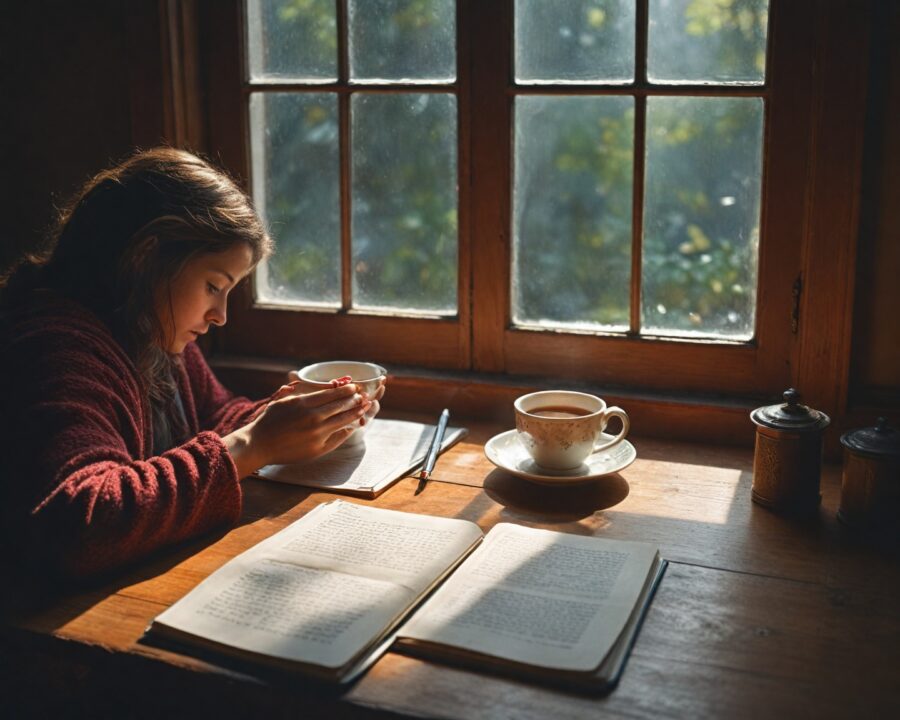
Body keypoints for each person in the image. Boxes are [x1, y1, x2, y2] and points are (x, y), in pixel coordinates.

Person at [0, 147, 384, 580]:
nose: (221, 315)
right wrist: (254, 444)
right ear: (147, 258)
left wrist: (298, 415)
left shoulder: (147, 329)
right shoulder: (55, 347)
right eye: (212, 286)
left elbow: (217, 416)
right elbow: (83, 519)